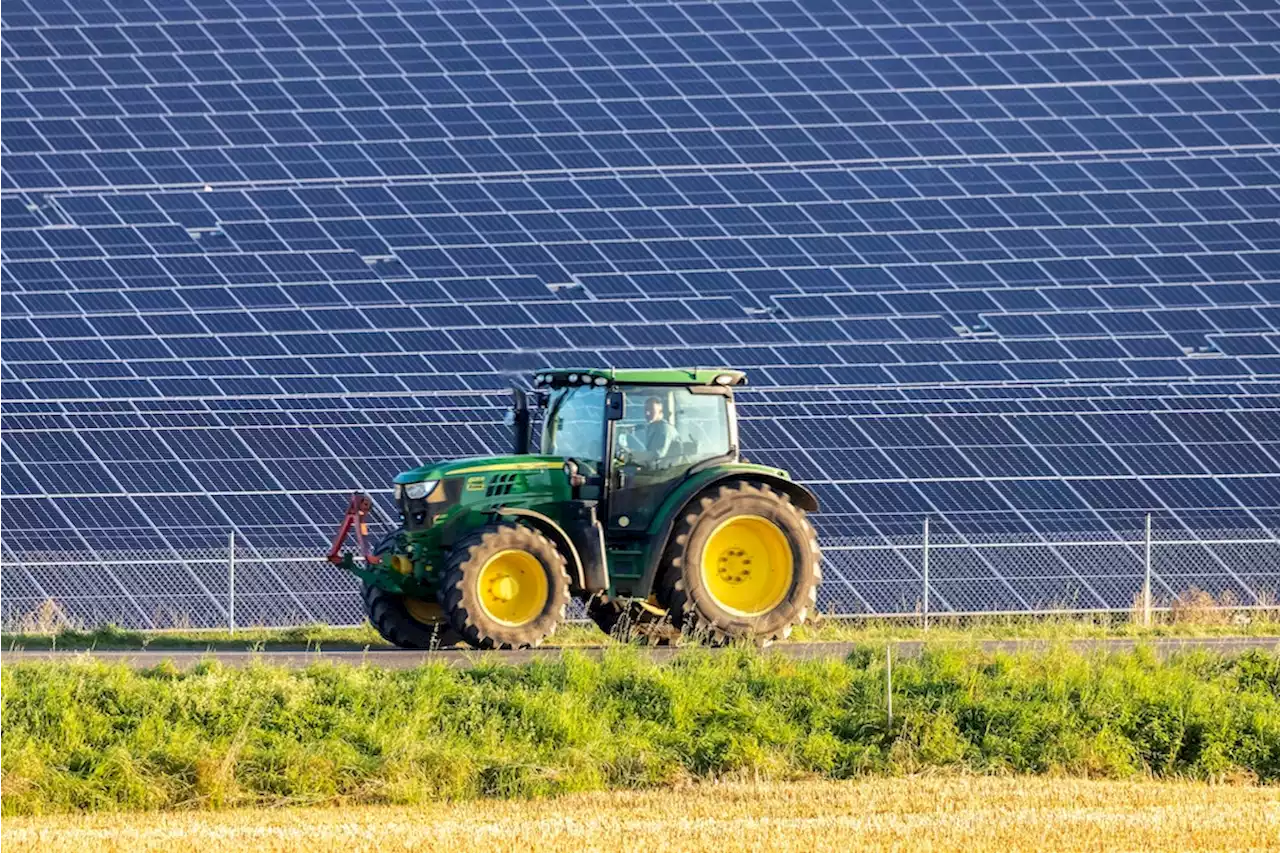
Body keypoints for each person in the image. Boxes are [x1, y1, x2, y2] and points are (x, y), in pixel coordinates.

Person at [628, 396, 678, 466]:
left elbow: (657, 455)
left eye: (651, 410)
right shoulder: (652, 426)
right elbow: (644, 426)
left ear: (660, 411)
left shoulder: (664, 429)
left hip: (667, 472)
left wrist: (632, 455)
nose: (647, 413)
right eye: (646, 410)